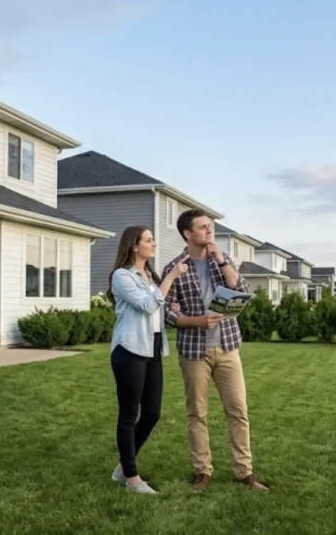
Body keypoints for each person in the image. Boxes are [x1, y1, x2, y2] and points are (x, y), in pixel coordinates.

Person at [161, 209, 270, 492]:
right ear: (188, 233)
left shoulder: (221, 261)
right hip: (194, 351)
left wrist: (222, 261)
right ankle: (202, 471)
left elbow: (243, 288)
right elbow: (169, 314)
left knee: (238, 410)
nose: (209, 232)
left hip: (227, 347)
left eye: (210, 227)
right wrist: (196, 321)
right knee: (197, 413)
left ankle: (244, 472)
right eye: (203, 228)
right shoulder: (175, 268)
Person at [107, 225, 189, 494]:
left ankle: (122, 467)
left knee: (152, 413)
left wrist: (169, 302)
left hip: (153, 347)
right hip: (129, 348)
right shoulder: (122, 276)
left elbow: (156, 305)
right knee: (129, 414)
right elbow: (145, 305)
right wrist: (171, 278)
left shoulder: (150, 276)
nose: (154, 244)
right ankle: (131, 476)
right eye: (148, 240)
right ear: (134, 245)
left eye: (153, 239)